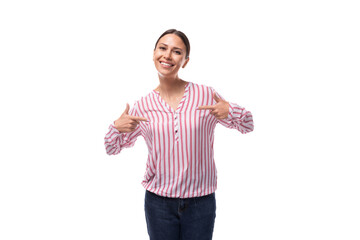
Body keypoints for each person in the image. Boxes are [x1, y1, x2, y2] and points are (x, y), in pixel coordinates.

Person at [104, 29, 254, 240]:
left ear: (185, 61)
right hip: (159, 203)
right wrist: (116, 127)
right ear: (154, 53)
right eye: (163, 48)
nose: (167, 55)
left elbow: (248, 124)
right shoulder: (142, 106)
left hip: (201, 202)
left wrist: (231, 110)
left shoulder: (206, 95)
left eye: (176, 51)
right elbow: (111, 148)